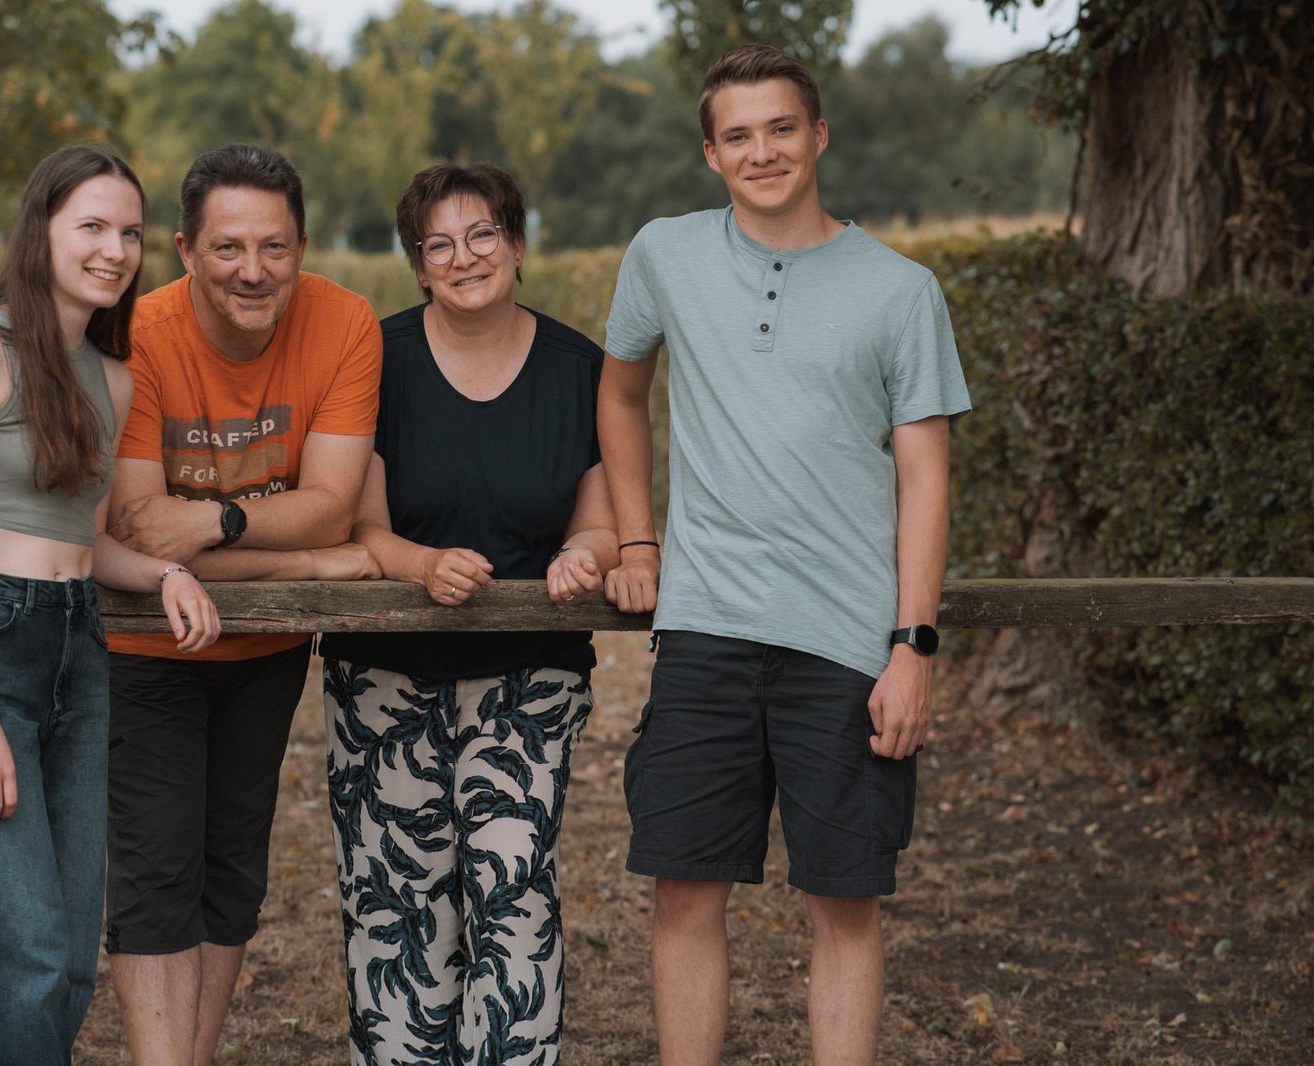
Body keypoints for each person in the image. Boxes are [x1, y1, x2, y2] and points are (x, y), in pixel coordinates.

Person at [598, 45, 972, 1065]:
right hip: (706, 633)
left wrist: (913, 647)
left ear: (817, 135)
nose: (761, 150)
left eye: (779, 128)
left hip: (847, 647)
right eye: (737, 135)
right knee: (683, 891)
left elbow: (926, 480)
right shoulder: (663, 255)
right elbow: (619, 388)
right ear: (709, 153)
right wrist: (638, 536)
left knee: (844, 901)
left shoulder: (901, 290)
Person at [0, 143, 220, 1066]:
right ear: (40, 230)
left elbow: (84, 540)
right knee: (26, 959)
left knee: (71, 961)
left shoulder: (112, 378)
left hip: (78, 647)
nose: (114, 250)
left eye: (128, 231)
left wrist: (165, 574)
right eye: (91, 226)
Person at [318, 162, 617, 1065]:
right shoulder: (378, 359)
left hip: (530, 679)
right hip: (385, 681)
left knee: (510, 898)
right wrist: (420, 565)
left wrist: (584, 554)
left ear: (518, 245)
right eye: (437, 243)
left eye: (482, 235)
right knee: (398, 909)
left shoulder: (579, 369)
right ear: (416, 264)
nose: (463, 256)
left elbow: (601, 518)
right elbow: (360, 523)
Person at [99, 143, 383, 1066]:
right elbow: (140, 539)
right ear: (184, 250)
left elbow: (334, 504)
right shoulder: (137, 334)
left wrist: (214, 521)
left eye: (273, 247)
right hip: (145, 643)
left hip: (262, 649)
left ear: (302, 246)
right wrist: (304, 562)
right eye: (227, 248)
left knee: (232, 871)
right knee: (155, 872)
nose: (251, 271)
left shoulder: (345, 324)